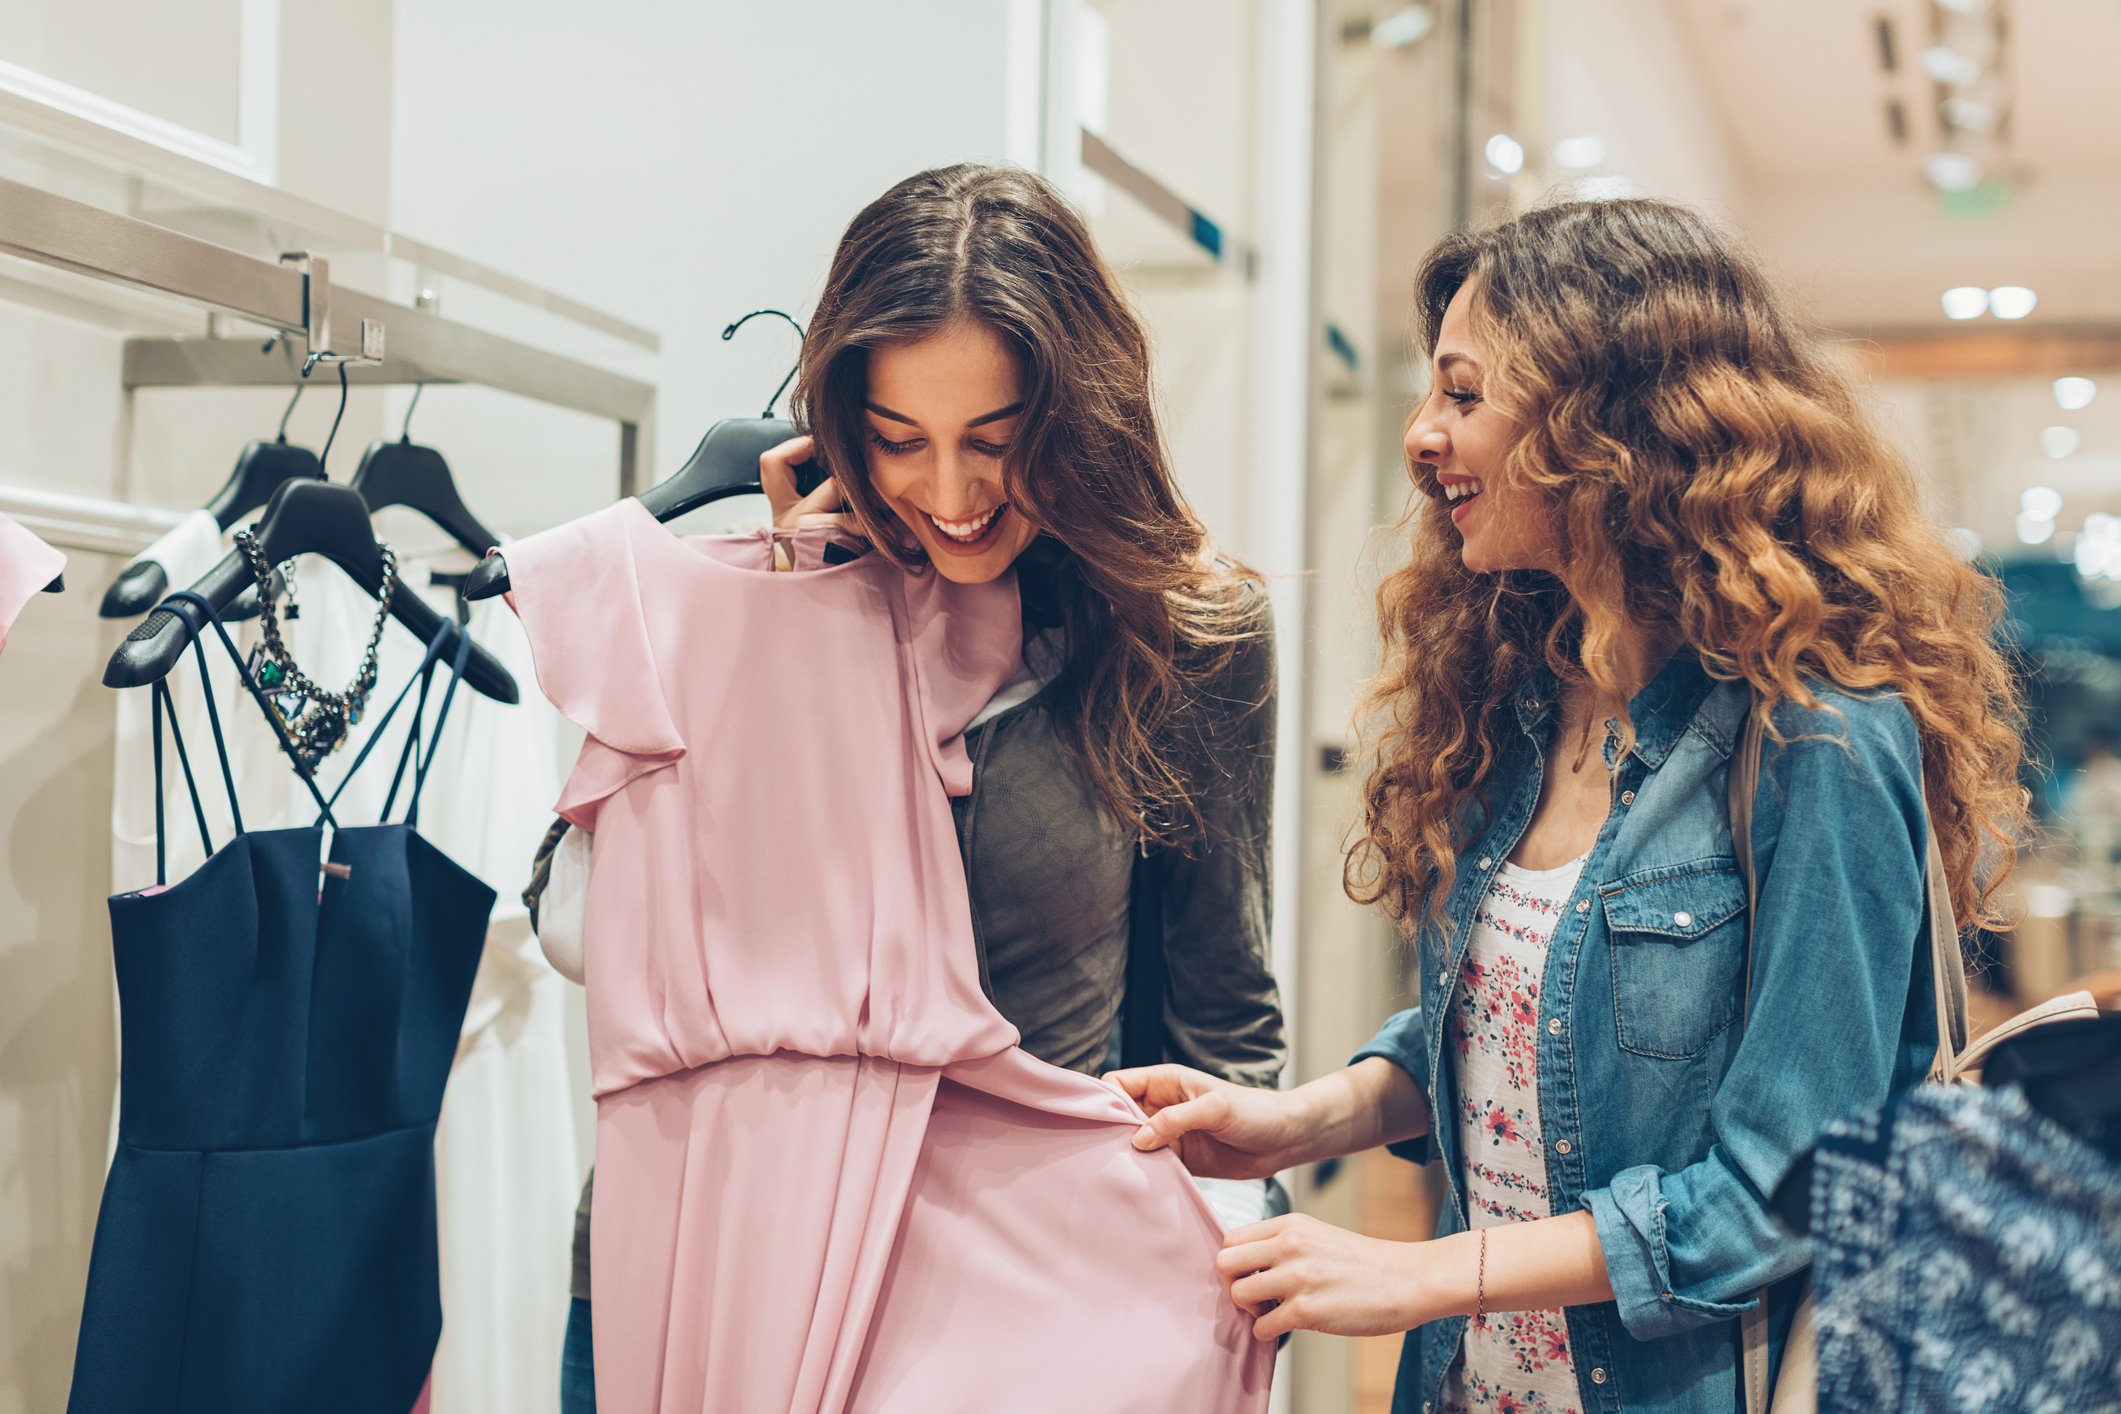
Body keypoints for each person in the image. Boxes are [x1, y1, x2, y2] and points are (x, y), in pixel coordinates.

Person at [1111, 197, 2028, 1414]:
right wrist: (1292, 1122)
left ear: (1607, 423)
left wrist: (1425, 1273)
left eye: (1465, 392)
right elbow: (1505, 1028)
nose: (1421, 433)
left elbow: (1783, 1185)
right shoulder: (1521, 693)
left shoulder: (1820, 738)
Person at [533, 163, 1287, 1413]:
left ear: (1078, 417)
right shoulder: (751, 593)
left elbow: (1223, 1008)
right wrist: (782, 616)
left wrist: (1229, 1295)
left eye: (998, 443)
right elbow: (582, 928)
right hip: (708, 1261)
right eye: (898, 443)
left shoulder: (1184, 631)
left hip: (1018, 1300)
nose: (949, 494)